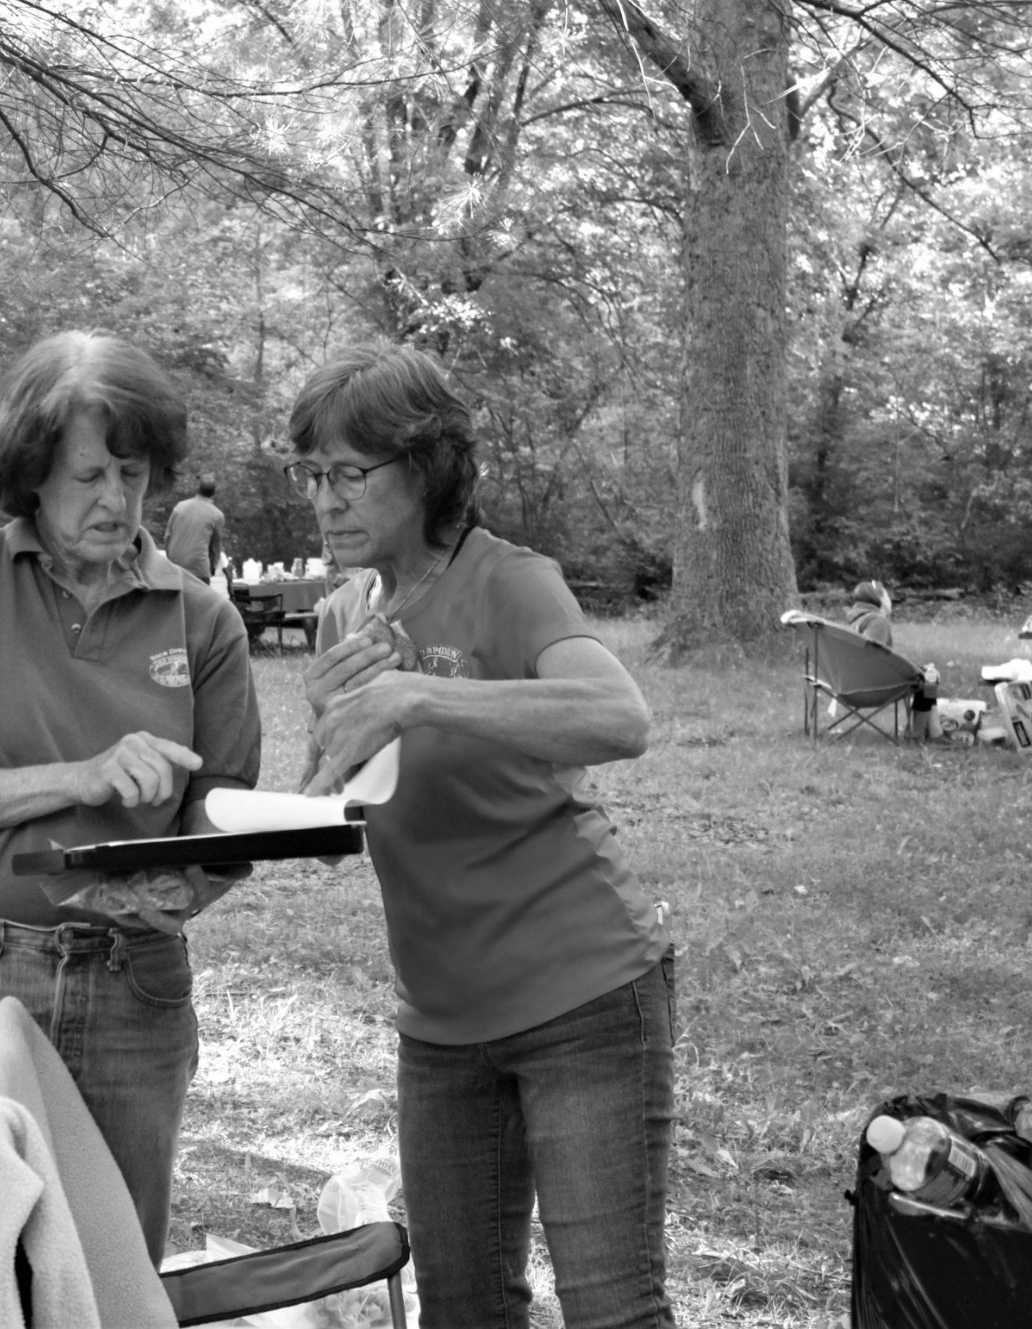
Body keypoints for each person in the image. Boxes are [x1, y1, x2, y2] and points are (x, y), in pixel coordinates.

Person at [0, 330, 262, 1326]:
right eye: (89, 475)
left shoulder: (202, 621)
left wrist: (182, 885)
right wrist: (77, 776)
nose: (117, 500)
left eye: (134, 473)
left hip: (132, 986)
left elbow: (221, 816)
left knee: (108, 1293)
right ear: (31, 471)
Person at [290, 344, 673, 1329]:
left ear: (423, 467)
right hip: (441, 1022)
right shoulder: (342, 617)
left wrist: (420, 694)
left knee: (612, 1310)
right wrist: (315, 762)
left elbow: (618, 717)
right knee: (461, 1312)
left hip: (580, 995)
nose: (325, 500)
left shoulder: (508, 580)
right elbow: (342, 809)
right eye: (311, 475)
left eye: (348, 473)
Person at [164, 474, 227, 582]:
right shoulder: (217, 515)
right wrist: (212, 567)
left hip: (176, 569)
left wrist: (171, 560)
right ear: (213, 492)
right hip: (199, 570)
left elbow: (167, 537)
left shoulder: (180, 507)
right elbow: (215, 548)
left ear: (197, 489)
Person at [845, 579, 895, 645]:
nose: (889, 599)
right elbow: (870, 651)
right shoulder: (877, 621)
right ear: (879, 598)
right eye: (887, 595)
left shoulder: (857, 619)